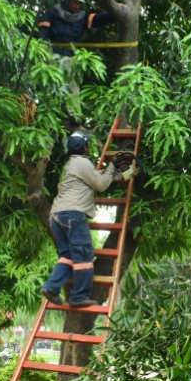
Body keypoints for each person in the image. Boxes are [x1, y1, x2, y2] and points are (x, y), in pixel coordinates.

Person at [41, 131, 118, 307]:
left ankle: (51, 287)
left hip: (57, 215)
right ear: (85, 148)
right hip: (73, 214)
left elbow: (94, 179)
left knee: (67, 256)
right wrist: (113, 168)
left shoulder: (70, 164)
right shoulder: (83, 163)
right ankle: (79, 296)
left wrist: (110, 173)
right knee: (83, 253)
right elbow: (101, 184)